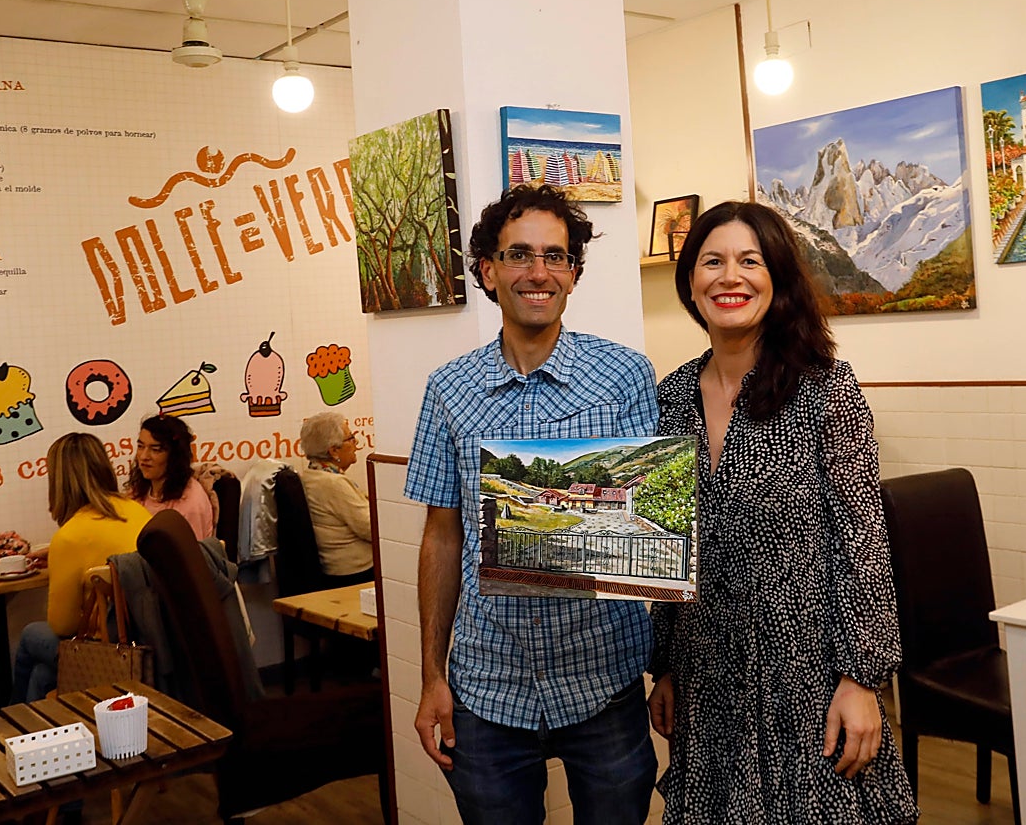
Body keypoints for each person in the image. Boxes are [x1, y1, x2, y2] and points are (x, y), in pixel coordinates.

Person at [647, 201, 918, 823]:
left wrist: (863, 680)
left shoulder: (825, 390)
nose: (729, 276)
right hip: (707, 673)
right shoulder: (671, 398)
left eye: (750, 261)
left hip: (811, 675)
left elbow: (864, 546)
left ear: (779, 280)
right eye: (712, 261)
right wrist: (663, 666)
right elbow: (665, 545)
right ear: (691, 279)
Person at [405, 185, 660, 824]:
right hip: (487, 687)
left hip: (604, 680)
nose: (538, 272)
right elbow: (441, 536)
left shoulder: (626, 375)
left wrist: (670, 669)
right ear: (488, 270)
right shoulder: (448, 389)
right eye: (519, 254)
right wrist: (432, 677)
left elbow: (652, 531)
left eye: (555, 255)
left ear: (574, 272)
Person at [11, 433, 152, 702]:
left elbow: (62, 625)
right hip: (150, 639)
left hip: (111, 650)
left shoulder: (71, 535)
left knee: (30, 635)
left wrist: (62, 562)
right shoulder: (136, 511)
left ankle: (12, 721)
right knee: (42, 675)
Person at [297, 411, 374, 584]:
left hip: (336, 568)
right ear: (333, 451)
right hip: (356, 571)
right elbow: (370, 528)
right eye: (351, 438)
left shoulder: (312, 475)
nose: (356, 443)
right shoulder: (333, 483)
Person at [127, 414, 213, 541]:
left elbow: (191, 558)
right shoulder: (138, 491)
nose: (144, 456)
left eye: (155, 450)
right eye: (140, 447)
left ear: (174, 456)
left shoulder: (190, 504)